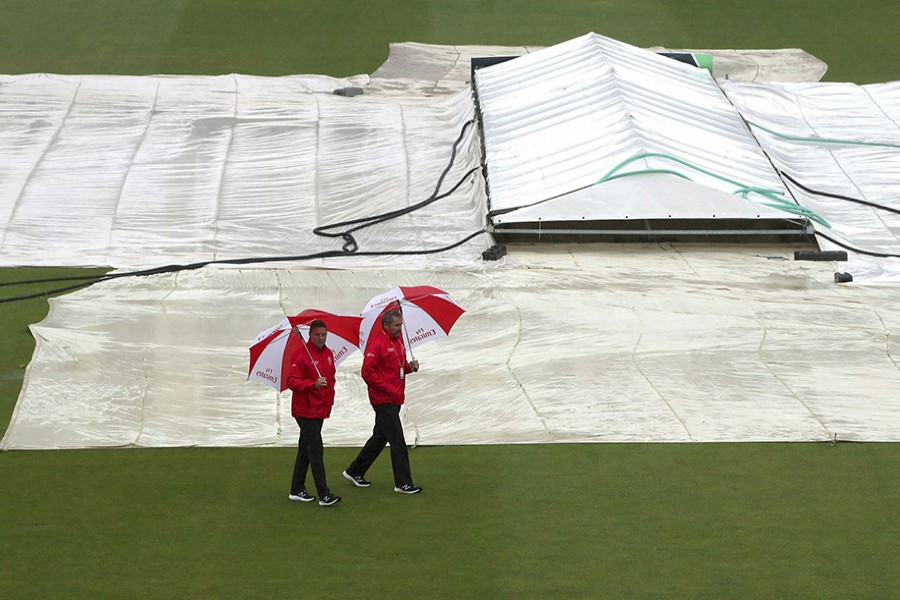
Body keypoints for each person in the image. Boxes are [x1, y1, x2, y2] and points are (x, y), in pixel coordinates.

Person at [343, 309, 422, 494]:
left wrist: (410, 367)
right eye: (396, 325)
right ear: (386, 325)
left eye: (401, 325)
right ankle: (403, 482)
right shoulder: (377, 343)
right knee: (397, 440)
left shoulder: (399, 342)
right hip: (383, 398)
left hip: (395, 396)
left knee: (380, 437)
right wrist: (386, 386)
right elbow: (367, 372)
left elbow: (398, 368)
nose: (400, 328)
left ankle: (355, 471)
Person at [286, 319, 342, 507]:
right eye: (317, 334)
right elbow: (292, 382)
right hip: (305, 410)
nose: (320, 338)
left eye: (323, 335)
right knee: (315, 450)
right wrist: (313, 384)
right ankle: (324, 493)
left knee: (305, 449)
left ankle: (296, 488)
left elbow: (331, 378)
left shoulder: (328, 354)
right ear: (310, 335)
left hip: (320, 409)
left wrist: (330, 397)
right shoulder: (300, 355)